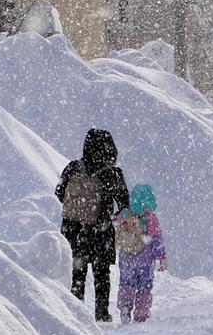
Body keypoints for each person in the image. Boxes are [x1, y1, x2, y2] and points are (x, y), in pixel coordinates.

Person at [55, 128, 130, 322]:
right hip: (101, 231)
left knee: (77, 272)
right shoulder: (113, 173)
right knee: (101, 273)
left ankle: (75, 313)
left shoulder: (73, 167)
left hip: (73, 230)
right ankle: (101, 314)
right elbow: (124, 203)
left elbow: (59, 193)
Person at [113, 183, 167, 324]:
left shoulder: (125, 213)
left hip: (126, 256)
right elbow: (156, 239)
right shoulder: (150, 217)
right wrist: (161, 257)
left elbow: (115, 223)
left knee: (126, 283)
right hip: (145, 258)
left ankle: (125, 307)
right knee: (145, 285)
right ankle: (141, 315)